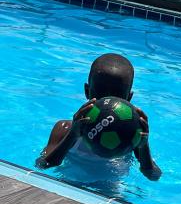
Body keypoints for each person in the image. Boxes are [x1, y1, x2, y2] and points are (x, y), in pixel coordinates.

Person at [35, 53, 162, 181]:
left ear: (128, 99)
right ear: (87, 91)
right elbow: (43, 164)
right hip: (69, 185)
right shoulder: (65, 128)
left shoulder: (130, 136)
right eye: (100, 92)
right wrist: (73, 135)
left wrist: (143, 145)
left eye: (116, 95)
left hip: (110, 193)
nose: (106, 100)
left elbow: (153, 175)